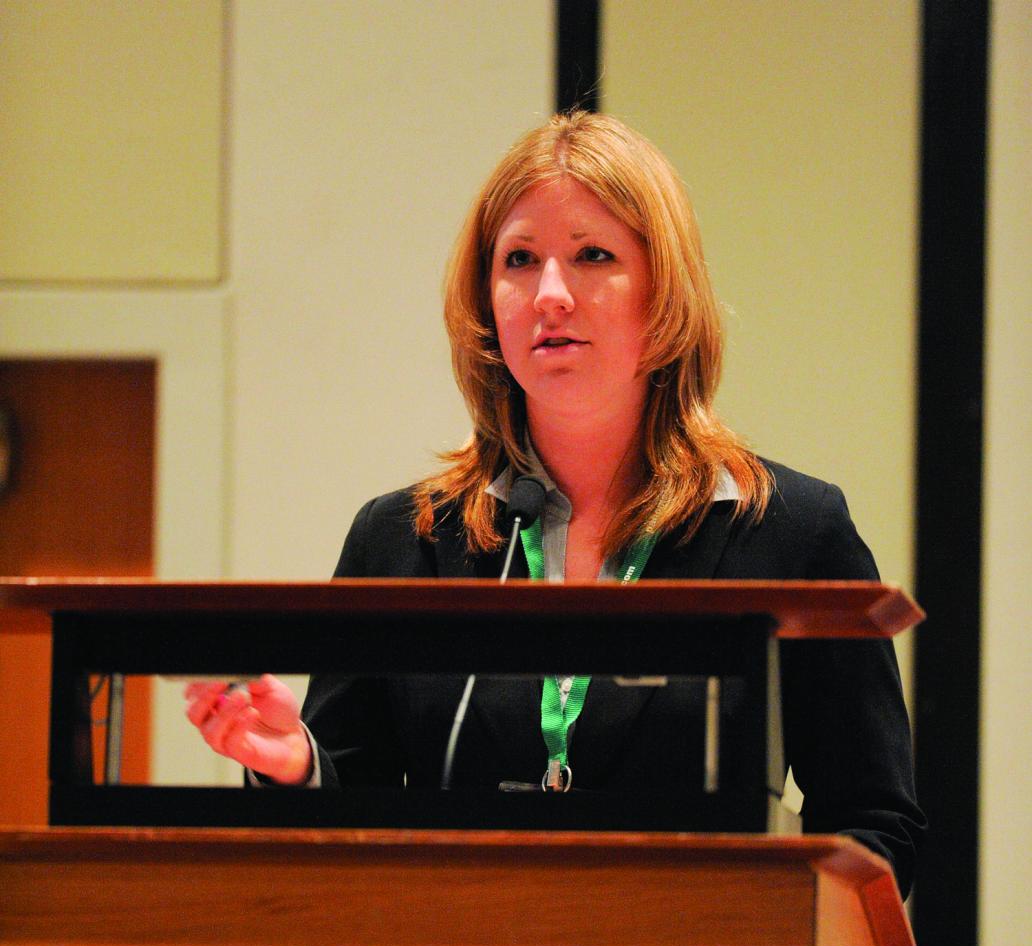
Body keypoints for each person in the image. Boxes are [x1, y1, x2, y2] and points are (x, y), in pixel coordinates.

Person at [185, 111, 925, 897]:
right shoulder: (402, 540)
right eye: (519, 260)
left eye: (593, 256)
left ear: (664, 290)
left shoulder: (789, 533)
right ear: (485, 298)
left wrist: (765, 928)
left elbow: (876, 826)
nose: (550, 294)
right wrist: (294, 768)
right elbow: (347, 823)